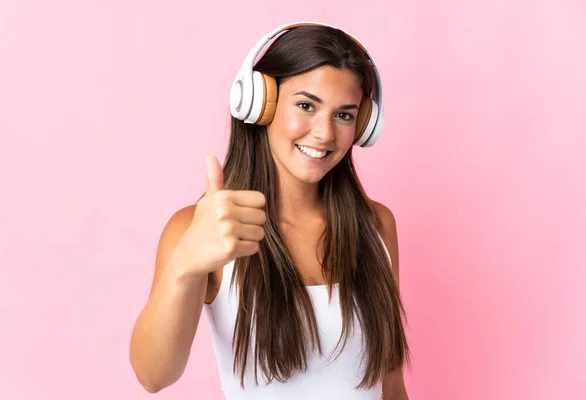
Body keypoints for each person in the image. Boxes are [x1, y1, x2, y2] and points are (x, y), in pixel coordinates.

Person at [129, 21, 411, 400]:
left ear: (363, 124)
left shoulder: (376, 225)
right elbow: (153, 375)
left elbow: (390, 386)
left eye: (344, 115)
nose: (325, 133)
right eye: (306, 106)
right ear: (260, 105)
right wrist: (185, 265)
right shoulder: (204, 227)